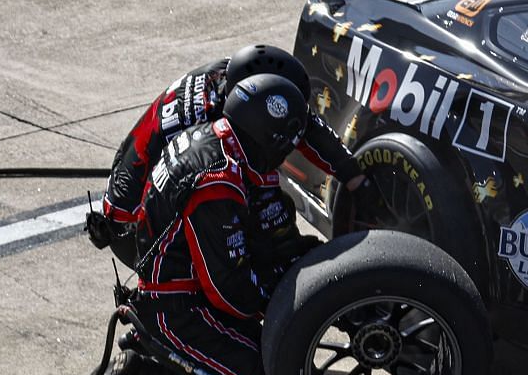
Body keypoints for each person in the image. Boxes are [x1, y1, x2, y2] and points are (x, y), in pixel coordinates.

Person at [106, 74, 309, 375]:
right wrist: (283, 298)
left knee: (273, 360)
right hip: (181, 310)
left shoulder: (222, 138)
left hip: (179, 291)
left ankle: (144, 364)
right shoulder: (218, 184)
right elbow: (228, 289)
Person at [89, 44, 363, 272]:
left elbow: (304, 125)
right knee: (259, 242)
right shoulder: (210, 128)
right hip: (135, 228)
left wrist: (353, 174)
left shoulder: (232, 76)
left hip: (125, 196)